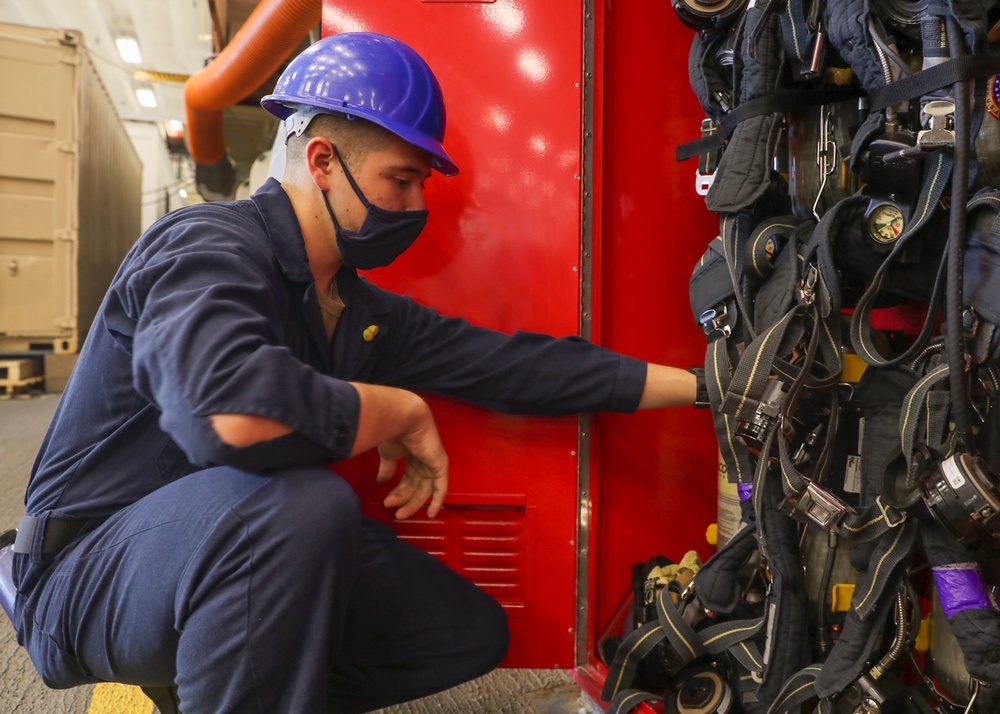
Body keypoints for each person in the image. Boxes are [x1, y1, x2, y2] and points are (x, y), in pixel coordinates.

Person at [12, 32, 697, 713]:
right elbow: (230, 414)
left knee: (464, 633)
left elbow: (516, 365)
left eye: (422, 185)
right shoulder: (205, 246)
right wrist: (399, 410)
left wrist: (705, 386)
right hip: (85, 568)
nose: (417, 207)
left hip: (214, 555)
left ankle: (215, 680)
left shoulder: (358, 310)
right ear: (323, 161)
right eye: (400, 181)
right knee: (308, 507)